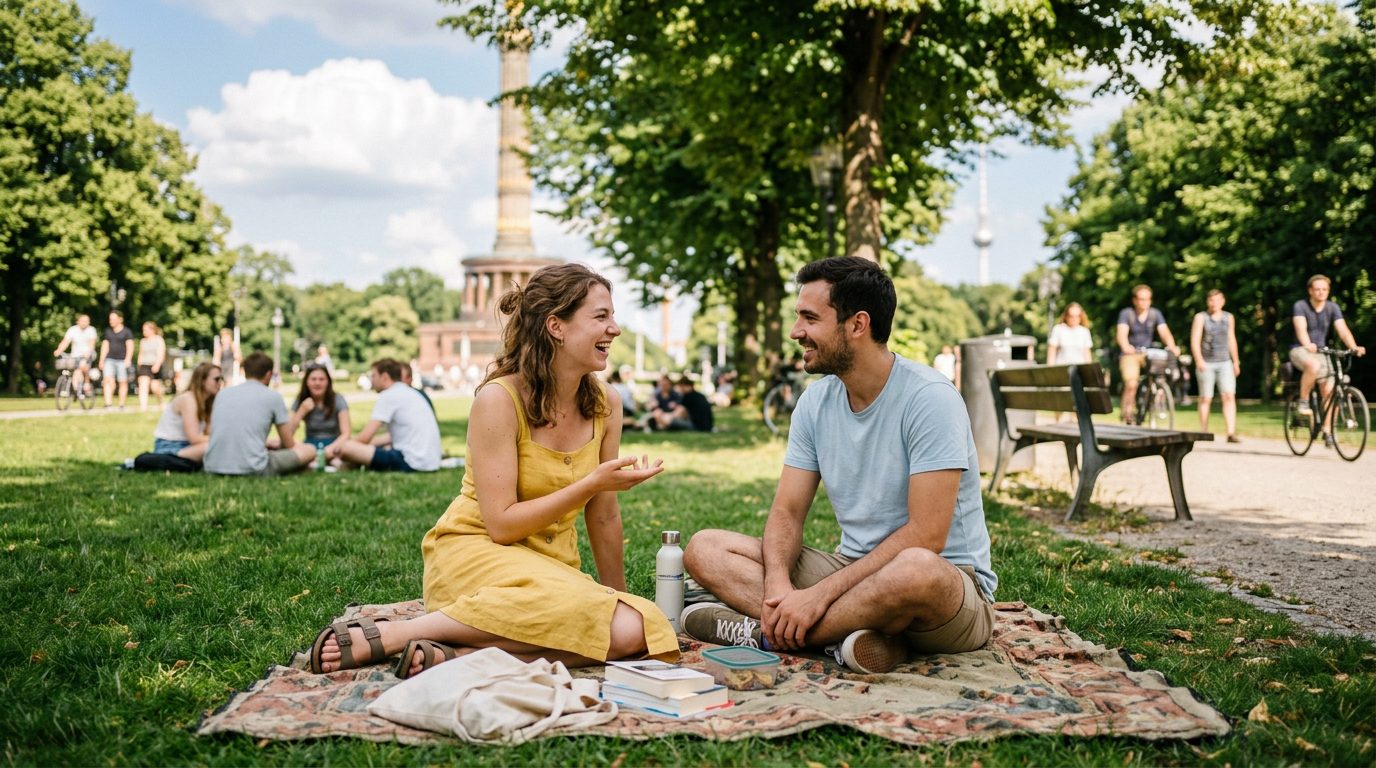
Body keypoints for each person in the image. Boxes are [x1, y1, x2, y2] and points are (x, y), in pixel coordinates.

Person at [309, 263, 676, 678]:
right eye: (601, 316)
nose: (615, 329)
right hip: (478, 551)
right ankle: (395, 635)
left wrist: (616, 596)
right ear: (556, 325)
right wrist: (590, 483)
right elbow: (501, 525)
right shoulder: (499, 400)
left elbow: (604, 514)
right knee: (593, 620)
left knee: (634, 628)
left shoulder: (605, 403)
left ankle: (458, 657)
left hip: (552, 569)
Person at [681, 257, 996, 674]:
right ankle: (856, 638)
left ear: (857, 325)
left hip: (948, 586)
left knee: (915, 569)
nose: (797, 332)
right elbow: (787, 511)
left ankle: (765, 633)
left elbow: (927, 536)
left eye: (809, 318)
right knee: (706, 547)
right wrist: (777, 585)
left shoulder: (930, 398)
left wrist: (818, 595)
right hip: (854, 569)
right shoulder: (815, 402)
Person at [203, 352, 315, 476]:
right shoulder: (273, 397)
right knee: (309, 450)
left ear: (245, 372)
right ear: (268, 375)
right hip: (253, 468)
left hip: (212, 466)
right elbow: (288, 444)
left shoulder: (223, 394)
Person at [1290, 274, 1367, 448]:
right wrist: (1307, 344)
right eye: (1317, 289)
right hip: (1300, 349)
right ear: (1310, 290)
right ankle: (1303, 402)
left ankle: (1328, 431)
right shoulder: (1300, 306)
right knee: (1313, 365)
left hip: (1323, 351)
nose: (1321, 292)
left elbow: (1343, 330)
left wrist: (1353, 346)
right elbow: (1300, 329)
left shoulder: (1332, 307)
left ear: (1328, 291)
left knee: (1330, 391)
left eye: (1324, 289)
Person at [330, 358, 442, 472]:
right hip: (430, 462)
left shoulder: (389, 395)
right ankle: (345, 463)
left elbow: (364, 438)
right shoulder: (410, 392)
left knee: (346, 448)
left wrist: (341, 447)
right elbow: (388, 438)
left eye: (373, 376)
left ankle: (337, 462)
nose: (371, 380)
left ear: (384, 377)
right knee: (372, 447)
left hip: (411, 462)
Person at [1115, 284, 1179, 423]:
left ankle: (1159, 397)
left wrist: (1172, 346)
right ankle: (1128, 413)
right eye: (1141, 299)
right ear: (1134, 300)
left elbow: (1164, 332)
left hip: (1148, 353)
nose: (1144, 302)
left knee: (1163, 373)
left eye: (1147, 299)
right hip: (1130, 354)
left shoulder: (1155, 314)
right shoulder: (1127, 314)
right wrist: (1126, 346)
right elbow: (1121, 334)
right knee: (1132, 383)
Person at [1190, 290, 1241, 442]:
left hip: (1225, 362)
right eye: (1211, 300)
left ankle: (1230, 433)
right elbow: (1195, 340)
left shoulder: (1228, 317)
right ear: (1208, 302)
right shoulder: (1201, 317)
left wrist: (1236, 361)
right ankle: (1204, 431)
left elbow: (1231, 339)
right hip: (1206, 362)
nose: (1214, 303)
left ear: (1223, 301)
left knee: (1229, 396)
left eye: (1217, 300)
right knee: (1206, 398)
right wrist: (1199, 360)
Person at [150, 362, 222, 463]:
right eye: (216, 379)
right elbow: (194, 438)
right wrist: (222, 438)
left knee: (219, 447)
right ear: (202, 380)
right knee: (213, 447)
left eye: (221, 379)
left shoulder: (209, 402)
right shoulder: (188, 399)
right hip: (169, 447)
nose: (220, 383)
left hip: (189, 446)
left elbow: (208, 433)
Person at [286, 363, 351, 461]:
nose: (317, 383)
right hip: (310, 446)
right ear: (306, 382)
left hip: (334, 445)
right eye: (313, 379)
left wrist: (329, 450)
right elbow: (287, 434)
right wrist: (300, 412)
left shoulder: (338, 399)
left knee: (340, 457)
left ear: (328, 382)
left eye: (321, 379)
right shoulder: (301, 400)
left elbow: (346, 433)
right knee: (277, 443)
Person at [53, 313, 97, 397]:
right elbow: (65, 342)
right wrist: (59, 350)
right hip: (75, 355)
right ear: (78, 322)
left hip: (88, 354)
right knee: (75, 371)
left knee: (83, 366)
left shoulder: (91, 330)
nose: (85, 323)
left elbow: (92, 343)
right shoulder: (72, 330)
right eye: (83, 321)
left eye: (87, 321)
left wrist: (88, 352)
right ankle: (76, 389)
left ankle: (86, 383)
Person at [99, 310, 135, 409]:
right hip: (109, 360)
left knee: (122, 382)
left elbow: (130, 346)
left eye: (113, 319)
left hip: (122, 360)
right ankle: (108, 403)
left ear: (120, 319)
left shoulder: (127, 332)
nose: (111, 321)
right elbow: (105, 346)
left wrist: (128, 359)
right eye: (110, 319)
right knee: (107, 380)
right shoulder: (108, 331)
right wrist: (101, 360)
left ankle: (121, 404)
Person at [136, 321, 168, 412]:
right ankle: (143, 407)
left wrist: (157, 364)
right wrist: (139, 364)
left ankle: (161, 402)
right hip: (144, 364)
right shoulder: (143, 341)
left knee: (155, 387)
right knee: (143, 385)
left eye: (145, 330)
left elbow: (161, 353)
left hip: (155, 364)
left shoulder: (159, 339)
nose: (144, 331)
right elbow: (141, 353)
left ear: (152, 330)